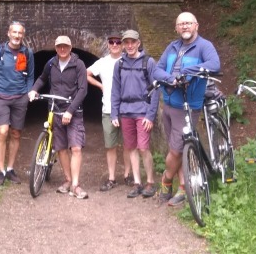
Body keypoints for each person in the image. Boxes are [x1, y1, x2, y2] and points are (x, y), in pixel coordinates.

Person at [153, 12, 220, 205]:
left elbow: (214, 65)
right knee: (178, 149)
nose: (184, 27)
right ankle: (183, 187)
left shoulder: (204, 47)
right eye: (181, 24)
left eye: (188, 23)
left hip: (188, 106)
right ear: (176, 28)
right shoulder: (172, 47)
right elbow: (157, 68)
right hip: (169, 104)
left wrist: (186, 73)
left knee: (175, 150)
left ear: (196, 25)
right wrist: (169, 79)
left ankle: (166, 179)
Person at [28, 36, 89, 199]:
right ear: (56, 48)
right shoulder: (51, 63)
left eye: (65, 47)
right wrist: (34, 89)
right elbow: (42, 78)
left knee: (75, 147)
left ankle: (76, 185)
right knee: (61, 148)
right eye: (59, 47)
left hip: (73, 111)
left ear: (70, 48)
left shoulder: (78, 65)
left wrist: (70, 111)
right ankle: (68, 180)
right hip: (55, 108)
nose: (62, 49)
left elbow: (83, 89)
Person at [111, 30, 160, 199]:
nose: (130, 45)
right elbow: (115, 91)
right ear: (124, 45)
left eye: (133, 42)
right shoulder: (120, 64)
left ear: (139, 43)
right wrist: (114, 114)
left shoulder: (148, 62)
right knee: (130, 147)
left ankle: (150, 182)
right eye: (127, 43)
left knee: (143, 148)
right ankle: (137, 182)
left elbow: (155, 89)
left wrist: (150, 115)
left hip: (143, 111)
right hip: (126, 112)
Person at [0, 21, 34, 186]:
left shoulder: (27, 52)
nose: (17, 36)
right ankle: (0, 171)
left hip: (20, 98)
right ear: (8, 33)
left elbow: (30, 76)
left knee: (16, 133)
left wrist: (28, 94)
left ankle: (10, 168)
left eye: (20, 33)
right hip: (1, 97)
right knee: (2, 130)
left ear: (23, 35)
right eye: (14, 32)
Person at [87, 32, 133, 192]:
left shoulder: (128, 60)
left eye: (118, 42)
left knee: (128, 144)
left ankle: (128, 174)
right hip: (108, 108)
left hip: (127, 109)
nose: (115, 45)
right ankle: (112, 177)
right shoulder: (103, 62)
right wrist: (100, 86)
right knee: (110, 145)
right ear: (108, 45)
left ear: (122, 45)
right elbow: (87, 74)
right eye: (112, 42)